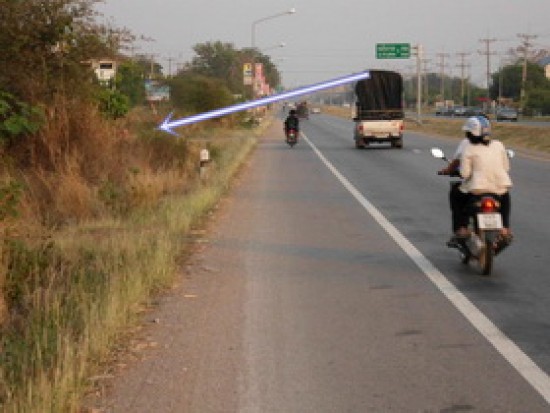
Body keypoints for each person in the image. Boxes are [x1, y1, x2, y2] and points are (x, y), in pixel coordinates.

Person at [455, 116, 513, 240]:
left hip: (478, 190)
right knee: (506, 198)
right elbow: (506, 167)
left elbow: (465, 174)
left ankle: (462, 227)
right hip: (499, 189)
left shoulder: (468, 148)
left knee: (456, 195)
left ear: (471, 134)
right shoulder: (499, 145)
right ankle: (505, 227)